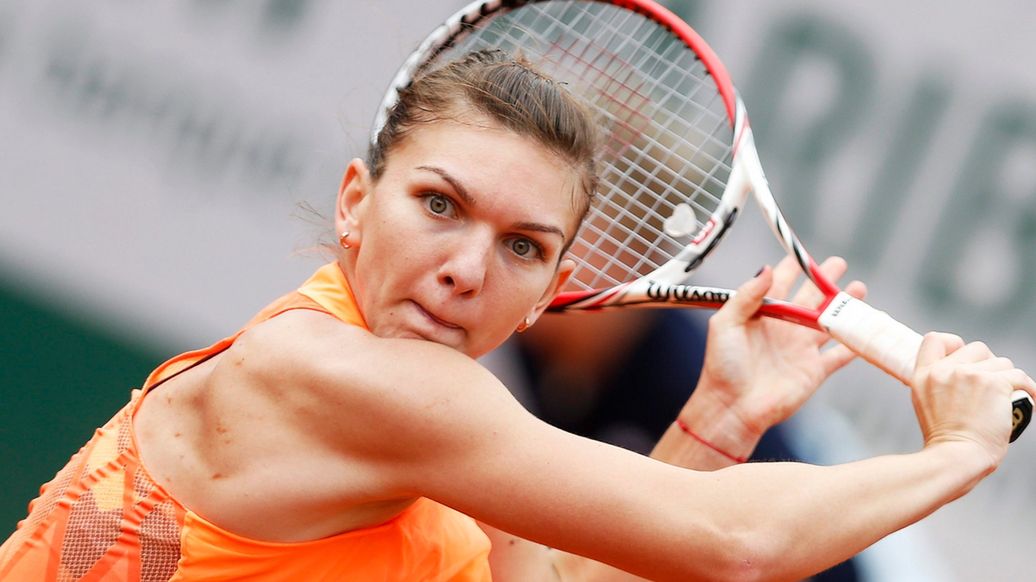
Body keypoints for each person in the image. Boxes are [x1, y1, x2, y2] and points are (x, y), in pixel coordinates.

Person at [0, 48, 1031, 581]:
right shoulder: (352, 382)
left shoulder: (438, 437)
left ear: (549, 292)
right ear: (355, 202)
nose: (466, 269)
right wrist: (957, 452)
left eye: (523, 247)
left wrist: (716, 421)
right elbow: (733, 543)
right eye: (439, 205)